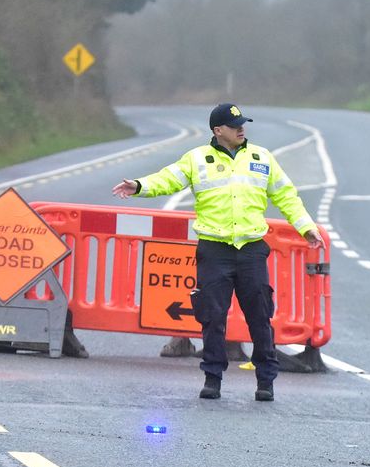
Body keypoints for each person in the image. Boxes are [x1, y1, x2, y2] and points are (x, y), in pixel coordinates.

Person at [112, 103, 324, 401]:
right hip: (215, 250)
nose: (241, 128)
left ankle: (266, 380)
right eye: (234, 124)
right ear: (217, 130)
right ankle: (213, 378)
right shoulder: (198, 159)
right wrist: (139, 185)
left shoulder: (261, 157)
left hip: (251, 250)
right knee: (212, 317)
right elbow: (169, 178)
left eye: (243, 123)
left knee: (260, 316)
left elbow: (286, 195)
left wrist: (306, 227)